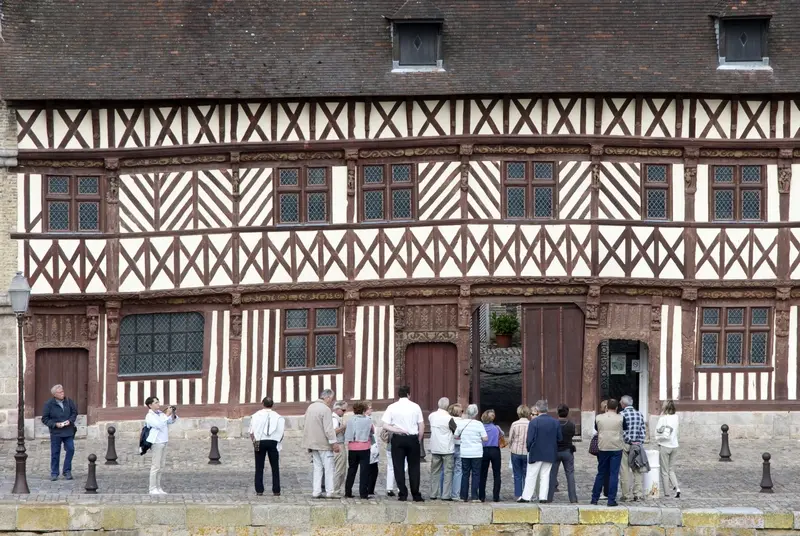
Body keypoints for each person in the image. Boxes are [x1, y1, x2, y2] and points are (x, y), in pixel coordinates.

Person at [381, 385, 425, 502]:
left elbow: (385, 425)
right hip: (412, 438)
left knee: (398, 466)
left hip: (398, 439)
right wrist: (419, 439)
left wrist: (398, 430)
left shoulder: (392, 407)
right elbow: (421, 425)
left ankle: (403, 493)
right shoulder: (415, 406)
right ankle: (416, 494)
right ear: (408, 394)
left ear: (398, 395)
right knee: (414, 467)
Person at [519, 400, 561, 504]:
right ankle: (543, 497)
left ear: (537, 409)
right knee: (545, 475)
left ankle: (526, 496)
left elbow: (529, 439)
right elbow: (559, 438)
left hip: (536, 452)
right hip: (550, 452)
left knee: (531, 474)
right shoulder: (555, 422)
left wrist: (529, 449)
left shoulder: (534, 422)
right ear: (547, 409)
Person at [302, 389, 341, 498]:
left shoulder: (311, 407)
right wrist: (334, 443)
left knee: (317, 467)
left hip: (312, 442)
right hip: (323, 443)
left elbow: (305, 424)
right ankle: (330, 491)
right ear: (327, 397)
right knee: (329, 468)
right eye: (331, 399)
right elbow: (328, 429)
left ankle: (316, 491)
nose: (331, 401)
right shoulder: (325, 409)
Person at [248, 397, 285, 496]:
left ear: (262, 403)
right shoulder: (278, 417)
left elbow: (251, 432)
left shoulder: (256, 416)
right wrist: (277, 442)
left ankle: (259, 490)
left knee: (259, 466)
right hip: (273, 441)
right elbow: (281, 433)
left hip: (259, 441)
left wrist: (254, 442)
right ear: (272, 405)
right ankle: (276, 490)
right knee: (275, 467)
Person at [41, 384, 78, 481]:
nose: (62, 393)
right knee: (55, 453)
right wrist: (55, 424)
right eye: (60, 392)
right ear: (54, 394)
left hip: (68, 431)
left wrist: (70, 421)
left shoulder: (69, 401)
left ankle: (67, 471)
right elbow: (45, 419)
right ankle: (54, 473)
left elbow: (74, 413)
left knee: (70, 449)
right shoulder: (49, 404)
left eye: (63, 391)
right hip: (56, 432)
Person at [591, 398, 624, 506]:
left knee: (601, 473)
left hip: (603, 446)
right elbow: (625, 428)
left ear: (607, 407)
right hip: (616, 447)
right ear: (616, 407)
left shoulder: (599, 418)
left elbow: (597, 428)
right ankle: (611, 499)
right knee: (614, 474)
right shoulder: (620, 418)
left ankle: (594, 498)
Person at [454, 404, 487, 502]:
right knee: (476, 474)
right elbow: (485, 438)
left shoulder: (461, 423)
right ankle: (474, 496)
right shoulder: (479, 424)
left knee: (465, 474)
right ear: (476, 413)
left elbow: (455, 435)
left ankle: (463, 496)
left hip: (465, 452)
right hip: (476, 452)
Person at [144, 396, 177, 494]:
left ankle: (158, 487)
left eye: (158, 402)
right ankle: (152, 488)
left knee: (161, 466)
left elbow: (170, 421)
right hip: (157, 442)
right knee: (155, 466)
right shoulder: (149, 416)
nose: (158, 404)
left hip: (164, 441)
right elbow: (159, 425)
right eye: (156, 403)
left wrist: (172, 413)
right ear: (150, 405)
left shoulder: (160, 414)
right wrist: (166, 414)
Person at [344, 401, 375, 499]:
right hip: (364, 447)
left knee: (352, 469)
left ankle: (348, 491)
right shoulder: (368, 420)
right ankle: (363, 493)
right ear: (364, 410)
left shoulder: (350, 420)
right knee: (364, 471)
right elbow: (373, 431)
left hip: (352, 448)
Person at [548, 404, 578, 503]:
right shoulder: (571, 425)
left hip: (555, 451)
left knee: (552, 475)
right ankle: (573, 498)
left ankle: (549, 498)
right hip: (567, 451)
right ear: (567, 413)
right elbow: (572, 434)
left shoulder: (553, 424)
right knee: (570, 474)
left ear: (557, 412)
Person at [619, 395, 647, 502]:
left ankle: (626, 495)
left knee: (624, 470)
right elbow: (643, 431)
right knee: (637, 469)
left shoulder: (621, 415)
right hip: (637, 445)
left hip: (625, 444)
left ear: (623, 404)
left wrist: (628, 440)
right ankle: (638, 494)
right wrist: (638, 442)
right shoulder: (640, 414)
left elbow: (622, 432)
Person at [428, 397, 456, 500]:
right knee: (448, 472)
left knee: (435, 471)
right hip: (447, 448)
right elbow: (454, 430)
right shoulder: (449, 418)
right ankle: (445, 494)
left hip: (435, 447)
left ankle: (433, 493)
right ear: (447, 406)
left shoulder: (432, 416)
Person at [656, 399, 680, 499]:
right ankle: (677, 488)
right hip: (674, 445)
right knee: (671, 470)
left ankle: (667, 493)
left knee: (664, 471)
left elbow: (658, 431)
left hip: (665, 445)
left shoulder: (663, 418)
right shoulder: (676, 417)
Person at [478, 409, 504, 502]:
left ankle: (481, 496)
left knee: (482, 473)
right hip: (495, 450)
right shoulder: (496, 428)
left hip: (484, 450)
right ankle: (496, 496)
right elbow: (502, 435)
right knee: (497, 473)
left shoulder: (480, 427)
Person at [508, 404, 531, 500]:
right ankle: (526, 494)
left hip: (515, 451)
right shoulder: (531, 424)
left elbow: (510, 439)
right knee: (527, 474)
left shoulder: (514, 424)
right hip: (527, 452)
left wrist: (511, 446)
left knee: (517, 474)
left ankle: (518, 494)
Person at [441, 403, 463, 500]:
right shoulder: (463, 421)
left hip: (449, 446)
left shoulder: (447, 420)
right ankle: (455, 494)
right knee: (458, 470)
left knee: (445, 470)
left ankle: (443, 492)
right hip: (460, 446)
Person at [332, 400, 348, 496]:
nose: (344, 412)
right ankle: (335, 489)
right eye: (343, 410)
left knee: (341, 468)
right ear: (337, 409)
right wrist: (344, 427)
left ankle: (336, 488)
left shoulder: (337, 418)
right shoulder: (334, 418)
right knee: (340, 468)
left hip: (340, 443)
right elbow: (333, 431)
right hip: (338, 444)